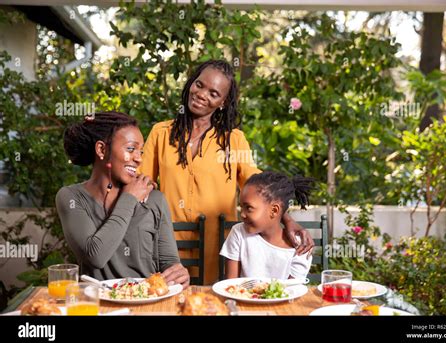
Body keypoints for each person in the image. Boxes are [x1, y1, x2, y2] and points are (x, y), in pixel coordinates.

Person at [139, 60, 314, 284]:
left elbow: (261, 189)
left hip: (219, 248)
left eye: (214, 93)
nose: (202, 94)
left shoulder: (233, 140)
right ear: (191, 83)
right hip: (169, 246)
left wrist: (287, 219)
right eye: (199, 85)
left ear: (223, 102)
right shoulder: (160, 134)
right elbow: (143, 185)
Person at [55, 111, 190, 288]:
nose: (139, 158)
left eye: (140, 151)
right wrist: (129, 199)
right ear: (102, 149)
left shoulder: (154, 198)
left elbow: (169, 263)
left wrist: (178, 274)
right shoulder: (71, 197)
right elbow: (95, 256)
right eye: (131, 149)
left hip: (147, 304)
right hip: (99, 307)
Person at [220, 171, 315, 279]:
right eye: (241, 207)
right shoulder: (238, 233)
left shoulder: (301, 247)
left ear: (274, 210)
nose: (242, 214)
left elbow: (291, 291)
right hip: (241, 296)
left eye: (249, 208)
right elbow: (231, 285)